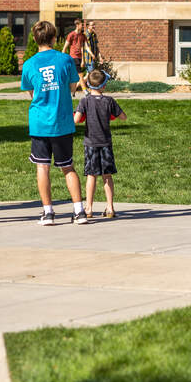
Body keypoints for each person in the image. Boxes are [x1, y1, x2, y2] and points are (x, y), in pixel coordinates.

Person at [21, 20, 90, 226]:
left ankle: (48, 213)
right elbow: (71, 87)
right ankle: (79, 212)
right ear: (54, 38)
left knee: (42, 167)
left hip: (40, 122)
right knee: (68, 167)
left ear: (34, 39)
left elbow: (30, 92)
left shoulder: (29, 64)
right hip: (62, 122)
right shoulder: (66, 60)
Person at [73, 69, 126, 219]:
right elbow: (123, 117)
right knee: (107, 176)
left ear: (88, 85)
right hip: (106, 143)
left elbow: (76, 120)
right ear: (103, 86)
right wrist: (111, 114)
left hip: (90, 143)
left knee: (91, 175)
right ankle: (110, 207)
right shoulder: (109, 101)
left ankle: (88, 209)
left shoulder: (84, 101)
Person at [63, 19, 88, 93]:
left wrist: (83, 60)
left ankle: (72, 91)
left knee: (75, 76)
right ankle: (85, 91)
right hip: (73, 57)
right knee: (80, 74)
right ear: (77, 25)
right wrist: (62, 59)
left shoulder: (82, 36)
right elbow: (65, 47)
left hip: (80, 57)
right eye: (82, 25)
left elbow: (82, 47)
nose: (83, 26)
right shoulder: (71, 35)